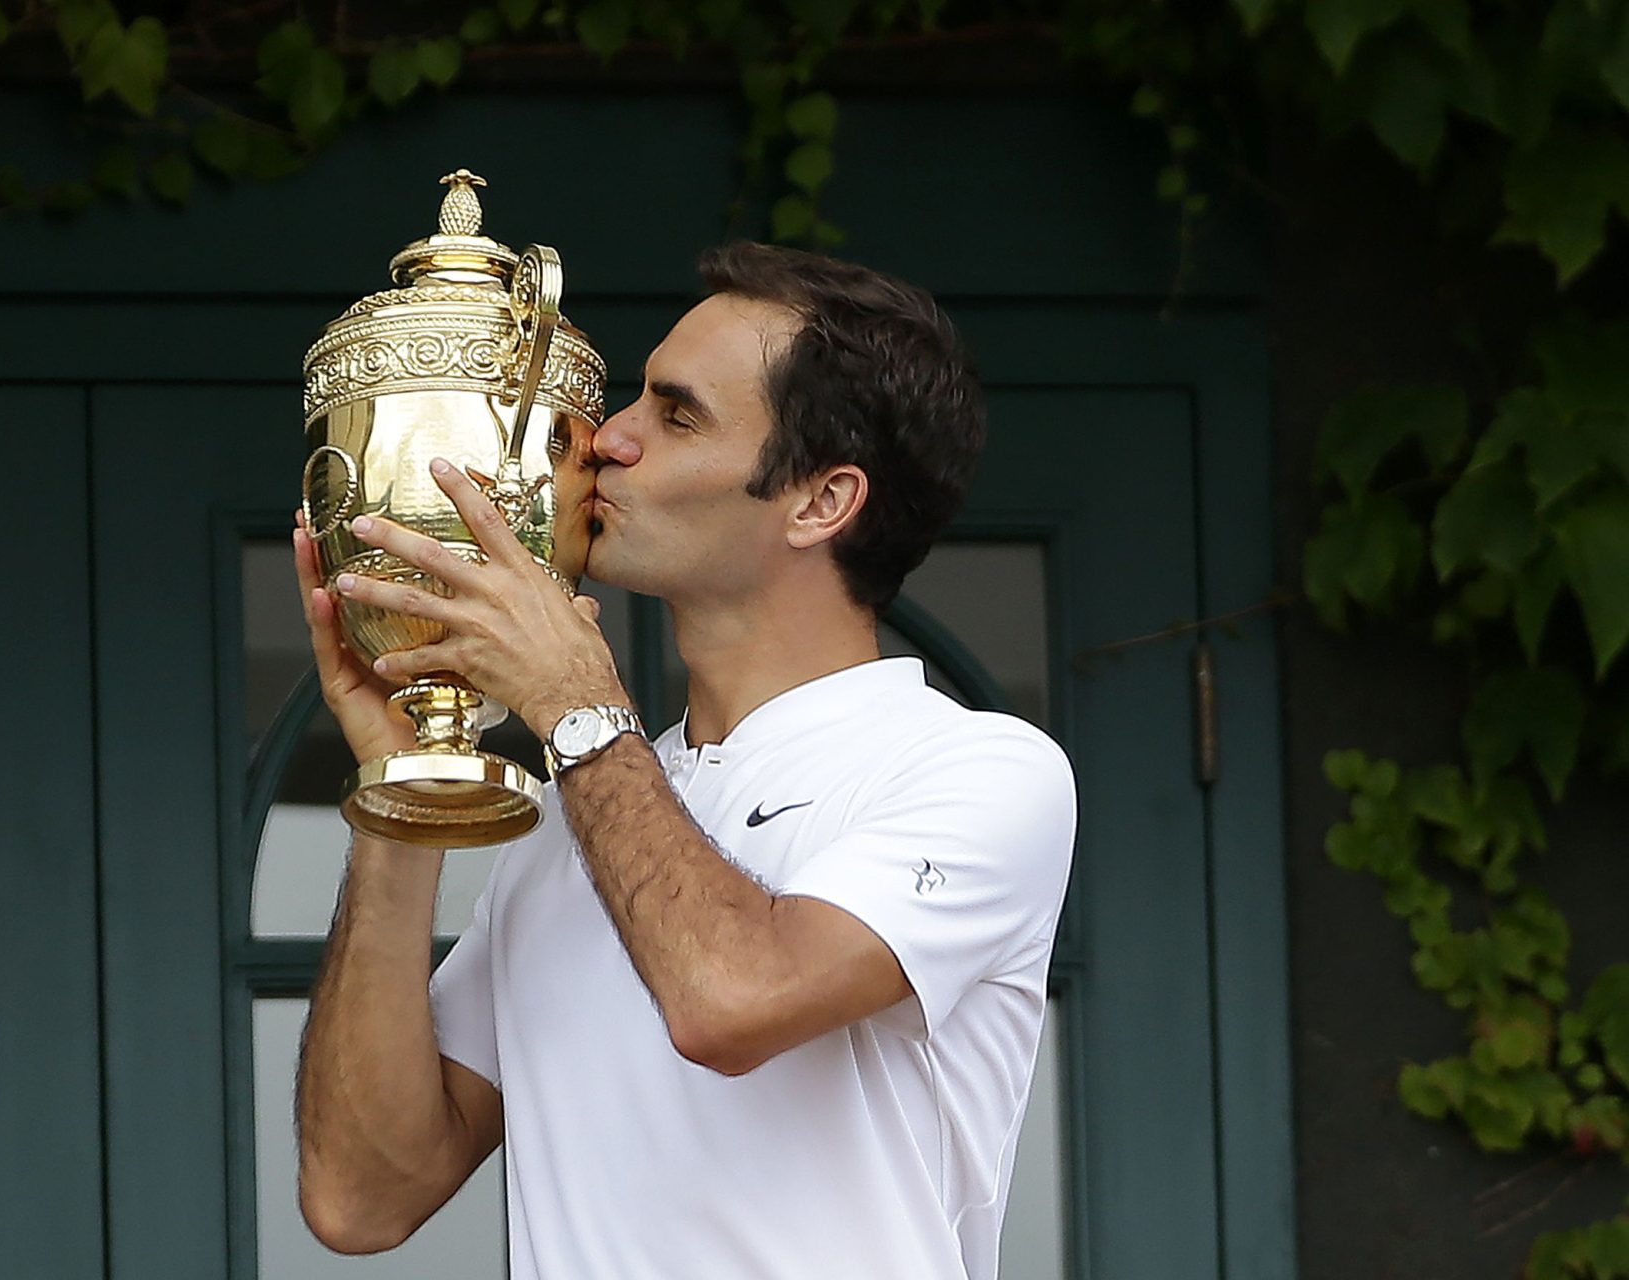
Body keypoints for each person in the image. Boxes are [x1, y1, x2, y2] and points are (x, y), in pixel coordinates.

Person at [290, 242, 1077, 1279]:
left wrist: (576, 706)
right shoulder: (581, 817)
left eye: (678, 413)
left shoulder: (976, 770)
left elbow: (730, 1000)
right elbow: (360, 1197)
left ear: (820, 501)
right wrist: (406, 790)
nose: (606, 438)